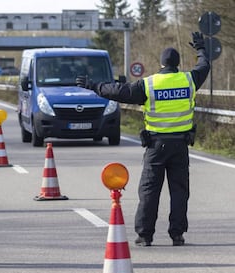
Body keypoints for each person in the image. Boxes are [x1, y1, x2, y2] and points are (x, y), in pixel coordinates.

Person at [76, 32, 210, 246]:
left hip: (156, 146)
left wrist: (94, 86)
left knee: (149, 191)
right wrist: (201, 49)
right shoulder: (189, 80)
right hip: (180, 145)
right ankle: (177, 234)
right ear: (177, 64)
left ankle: (145, 235)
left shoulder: (149, 85)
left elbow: (119, 91)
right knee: (179, 192)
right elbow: (204, 66)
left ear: (161, 63)